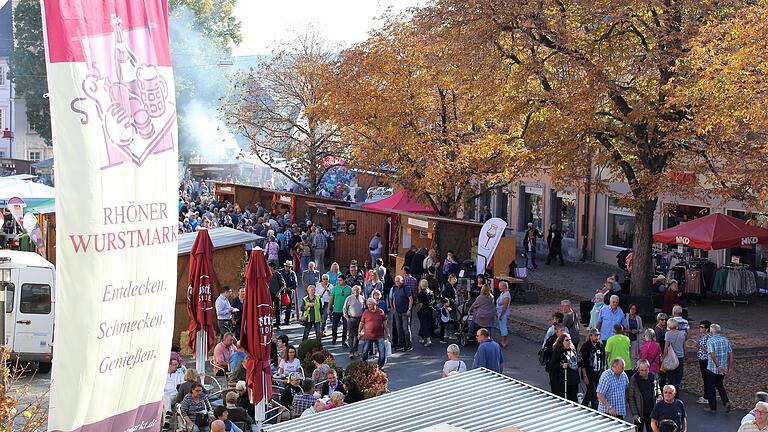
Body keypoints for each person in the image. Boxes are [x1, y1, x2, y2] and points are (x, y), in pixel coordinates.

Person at [704, 323, 733, 413]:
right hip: (723, 367)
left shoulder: (711, 341)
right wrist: (730, 367)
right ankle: (726, 401)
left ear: (712, 331)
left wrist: (718, 366)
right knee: (720, 385)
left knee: (711, 387)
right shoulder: (725, 340)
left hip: (712, 368)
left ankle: (713, 407)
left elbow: (712, 355)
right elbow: (731, 354)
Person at [628, 359, 660, 432]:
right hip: (639, 412)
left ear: (649, 368)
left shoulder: (653, 376)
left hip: (651, 412)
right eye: (642, 370)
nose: (644, 372)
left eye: (646, 370)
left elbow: (657, 389)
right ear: (638, 369)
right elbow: (631, 397)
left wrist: (659, 395)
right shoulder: (634, 379)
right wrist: (635, 413)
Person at [360, 297, 390, 368]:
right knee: (364, 352)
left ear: (374, 304)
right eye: (367, 304)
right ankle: (364, 365)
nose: (368, 306)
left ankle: (380, 366)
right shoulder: (365, 312)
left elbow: (385, 323)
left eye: (370, 304)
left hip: (379, 335)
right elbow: (361, 323)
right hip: (368, 335)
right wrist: (359, 332)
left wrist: (387, 332)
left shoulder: (380, 311)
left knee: (382, 352)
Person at [580, 328, 605, 410]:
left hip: (598, 373)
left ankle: (583, 406)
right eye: (595, 335)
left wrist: (603, 371)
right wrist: (585, 376)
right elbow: (582, 363)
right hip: (589, 374)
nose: (597, 337)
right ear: (590, 336)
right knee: (594, 394)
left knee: (589, 393)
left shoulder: (600, 345)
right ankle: (596, 410)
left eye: (598, 335)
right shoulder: (586, 347)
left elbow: (603, 359)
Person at [549, 333, 579, 401]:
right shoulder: (557, 351)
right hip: (563, 381)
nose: (569, 342)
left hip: (573, 380)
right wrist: (561, 366)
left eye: (570, 340)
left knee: (574, 399)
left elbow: (575, 361)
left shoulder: (572, 350)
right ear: (561, 341)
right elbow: (552, 366)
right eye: (567, 340)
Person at [390, 275, 413, 352]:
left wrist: (409, 309)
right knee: (398, 328)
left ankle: (408, 345)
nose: (397, 283)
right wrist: (393, 309)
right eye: (396, 281)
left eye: (398, 281)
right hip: (397, 311)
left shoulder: (406, 288)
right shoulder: (395, 288)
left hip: (405, 311)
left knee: (405, 328)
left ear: (402, 281)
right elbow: (392, 298)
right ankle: (401, 344)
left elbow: (410, 299)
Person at [663, 318, 685, 393]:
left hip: (671, 358)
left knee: (671, 377)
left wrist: (663, 357)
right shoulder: (682, 334)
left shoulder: (668, 334)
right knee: (678, 377)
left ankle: (672, 393)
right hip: (680, 357)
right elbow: (684, 346)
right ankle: (676, 392)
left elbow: (666, 347)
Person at [693, 320, 712, 405]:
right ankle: (706, 395)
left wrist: (699, 346)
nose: (700, 329)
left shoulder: (708, 338)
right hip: (702, 358)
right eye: (700, 327)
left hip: (705, 359)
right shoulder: (702, 337)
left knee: (706, 378)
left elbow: (709, 351)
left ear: (707, 329)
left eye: (702, 327)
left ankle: (707, 396)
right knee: (705, 378)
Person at [344, 285, 366, 358]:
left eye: (357, 290)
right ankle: (351, 352)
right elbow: (344, 309)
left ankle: (355, 350)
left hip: (360, 319)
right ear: (352, 291)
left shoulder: (362, 298)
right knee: (351, 335)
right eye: (355, 290)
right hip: (351, 319)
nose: (356, 292)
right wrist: (347, 318)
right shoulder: (349, 298)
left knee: (358, 335)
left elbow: (364, 309)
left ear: (360, 291)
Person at [329, 276, 351, 346]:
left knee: (345, 326)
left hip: (346, 310)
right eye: (338, 280)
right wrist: (329, 308)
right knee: (334, 325)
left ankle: (344, 340)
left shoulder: (349, 289)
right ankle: (334, 336)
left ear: (344, 280)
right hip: (336, 309)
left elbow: (351, 299)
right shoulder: (335, 288)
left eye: (340, 280)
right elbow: (331, 298)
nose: (339, 282)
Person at [415, 279, 436, 347]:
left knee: (424, 325)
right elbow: (433, 301)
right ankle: (422, 337)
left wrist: (417, 310)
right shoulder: (431, 292)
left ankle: (428, 340)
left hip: (423, 311)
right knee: (426, 324)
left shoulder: (421, 294)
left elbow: (420, 304)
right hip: (430, 310)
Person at [439, 273, 459, 343]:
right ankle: (451, 334)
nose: (455, 280)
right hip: (450, 306)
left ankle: (446, 333)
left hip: (447, 305)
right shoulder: (449, 287)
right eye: (453, 279)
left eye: (455, 279)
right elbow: (448, 297)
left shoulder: (448, 286)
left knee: (446, 319)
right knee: (452, 318)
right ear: (450, 279)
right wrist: (451, 301)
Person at [279, 261, 298, 325]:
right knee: (279, 306)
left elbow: (295, 284)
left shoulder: (293, 273)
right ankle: (278, 320)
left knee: (289, 306)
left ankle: (287, 320)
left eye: (289, 266)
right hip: (280, 291)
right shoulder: (280, 272)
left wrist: (289, 288)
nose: (287, 268)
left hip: (289, 291)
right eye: (286, 266)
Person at [269, 262, 287, 330]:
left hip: (276, 294)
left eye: (269, 267)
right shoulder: (267, 275)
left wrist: (278, 293)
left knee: (277, 309)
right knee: (269, 309)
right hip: (269, 294)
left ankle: (278, 323)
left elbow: (283, 285)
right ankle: (270, 322)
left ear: (272, 267)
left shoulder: (278, 274)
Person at [625, 304, 643, 368]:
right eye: (631, 309)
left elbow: (641, 329)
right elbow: (622, 327)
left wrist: (637, 331)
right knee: (626, 354)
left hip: (635, 339)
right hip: (626, 338)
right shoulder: (625, 317)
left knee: (633, 356)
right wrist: (627, 330)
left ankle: (632, 368)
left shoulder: (638, 318)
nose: (632, 310)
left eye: (634, 309)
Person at [496, 281, 512, 348]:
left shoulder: (506, 295)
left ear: (504, 286)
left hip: (503, 313)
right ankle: (503, 341)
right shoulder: (503, 293)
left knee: (503, 327)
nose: (499, 287)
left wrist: (502, 315)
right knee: (502, 327)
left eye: (500, 286)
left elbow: (505, 307)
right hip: (500, 312)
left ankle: (504, 342)